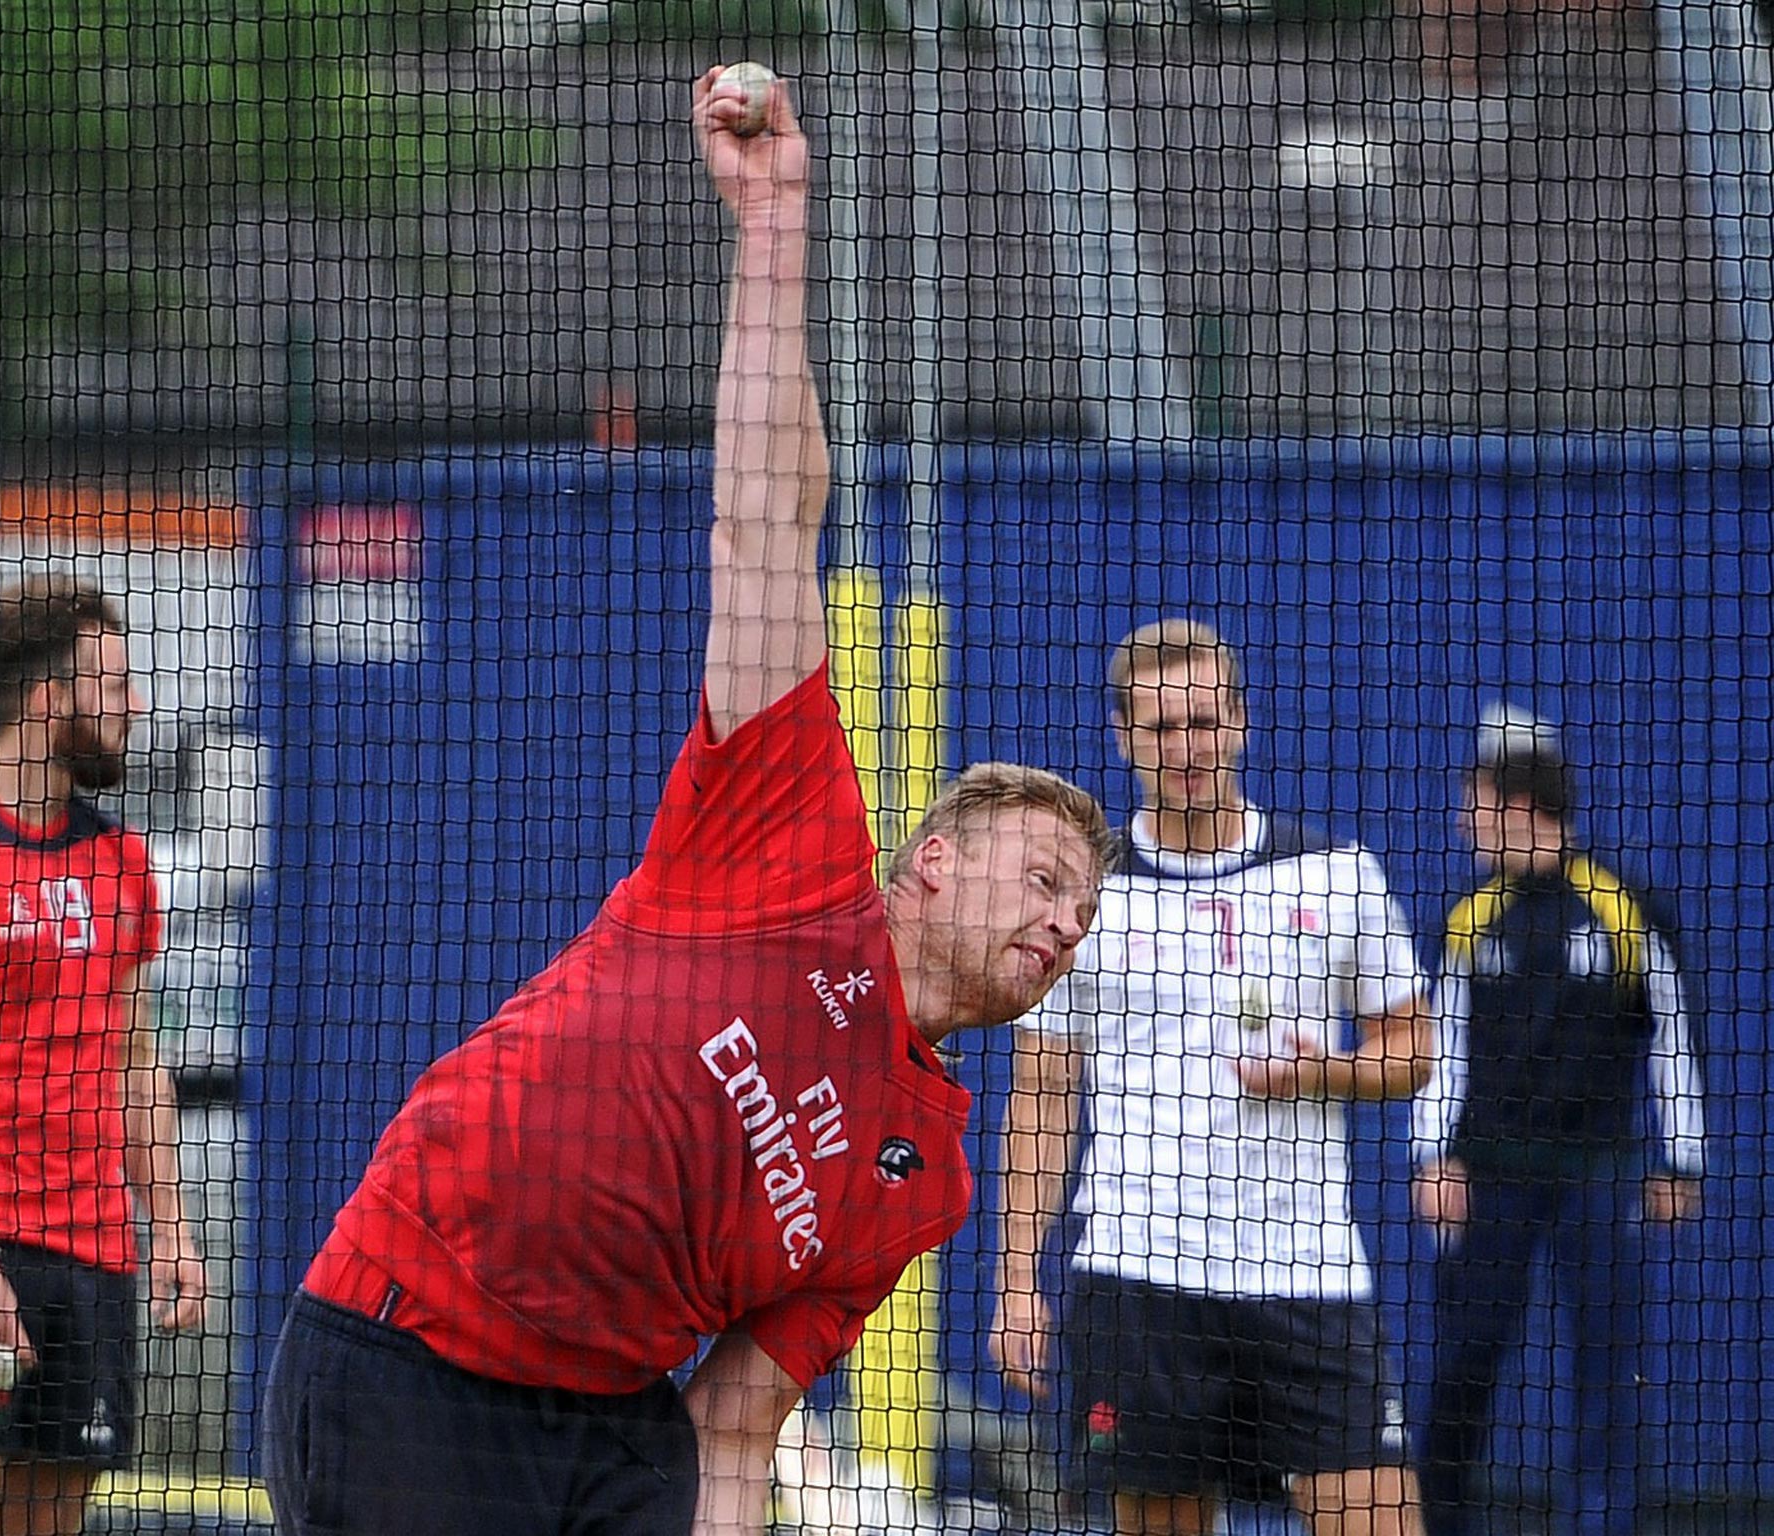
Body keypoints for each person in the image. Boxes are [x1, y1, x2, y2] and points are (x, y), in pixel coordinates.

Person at [258, 68, 1110, 1536]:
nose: (1062, 919)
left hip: (614, 1433)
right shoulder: (787, 840)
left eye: (1082, 907)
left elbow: (739, 1415)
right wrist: (775, 219)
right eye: (1039, 876)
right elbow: (770, 515)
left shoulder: (930, 1176)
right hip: (411, 1356)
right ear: (927, 863)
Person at [991, 618, 1433, 1536]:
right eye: (1160, 730)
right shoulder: (1086, 896)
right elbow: (1042, 1095)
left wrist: (1332, 1075)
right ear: (1122, 737)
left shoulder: (1338, 875)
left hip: (1310, 1281)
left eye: (1203, 723)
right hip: (1136, 1283)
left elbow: (1414, 1050)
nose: (1186, 750)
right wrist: (1014, 1285)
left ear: (1239, 722)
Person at [0, 578, 208, 1536]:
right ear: (51, 698)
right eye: (115, 685)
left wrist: (169, 1226)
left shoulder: (124, 861)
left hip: (93, 1253)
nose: (135, 706)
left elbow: (138, 1061)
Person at [1413, 705, 1706, 1536]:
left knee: (1608, 1375)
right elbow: (1446, 1049)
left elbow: (1673, 1036)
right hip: (1492, 1176)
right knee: (1464, 1363)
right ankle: (1441, 1521)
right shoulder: (1471, 916)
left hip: (1601, 1176)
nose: (1461, 818)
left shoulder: (1621, 909)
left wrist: (1680, 1161)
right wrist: (1435, 1158)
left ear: (1515, 802)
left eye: (1471, 800)